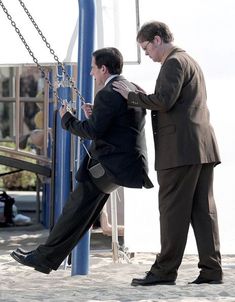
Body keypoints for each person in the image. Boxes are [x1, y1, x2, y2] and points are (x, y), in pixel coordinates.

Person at [10, 47, 153, 274]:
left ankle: (43, 258)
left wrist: (66, 119)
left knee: (74, 213)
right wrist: (96, 113)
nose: (91, 73)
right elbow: (122, 123)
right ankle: (45, 257)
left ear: (103, 69)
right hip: (125, 166)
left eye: (93, 68)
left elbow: (92, 132)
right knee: (82, 216)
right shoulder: (132, 88)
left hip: (109, 165)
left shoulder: (108, 93)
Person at [113, 21, 223, 286]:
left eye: (146, 47)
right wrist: (143, 94)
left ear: (158, 39)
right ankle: (211, 271)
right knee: (203, 212)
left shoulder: (173, 63)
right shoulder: (189, 60)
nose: (147, 54)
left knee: (173, 212)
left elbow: (164, 101)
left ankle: (164, 272)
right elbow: (173, 100)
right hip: (202, 148)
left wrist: (132, 97)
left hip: (180, 152)